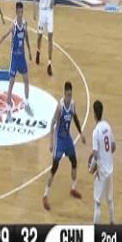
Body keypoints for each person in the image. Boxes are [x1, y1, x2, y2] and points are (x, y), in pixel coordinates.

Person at [43, 81, 85, 211]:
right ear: (64, 94)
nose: (69, 97)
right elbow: (52, 123)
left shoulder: (72, 104)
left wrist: (81, 133)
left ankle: (73, 188)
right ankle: (45, 195)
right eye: (67, 95)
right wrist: (51, 142)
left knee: (74, 162)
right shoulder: (60, 107)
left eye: (70, 95)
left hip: (67, 138)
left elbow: (76, 119)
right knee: (54, 168)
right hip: (59, 141)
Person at [0, 1, 32, 122]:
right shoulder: (14, 26)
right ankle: (8, 109)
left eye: (22, 12)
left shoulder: (24, 24)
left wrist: (30, 50)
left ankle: (27, 103)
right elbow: (4, 36)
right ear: (16, 12)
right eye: (19, 12)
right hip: (14, 57)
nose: (20, 14)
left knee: (26, 80)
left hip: (22, 57)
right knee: (11, 82)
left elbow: (26, 37)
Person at [88, 99, 115, 224]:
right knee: (109, 199)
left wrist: (92, 168)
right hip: (110, 170)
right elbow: (113, 147)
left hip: (101, 172)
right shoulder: (107, 126)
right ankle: (112, 222)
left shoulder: (96, 132)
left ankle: (94, 230)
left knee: (97, 202)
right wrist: (106, 155)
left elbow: (95, 153)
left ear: (94, 113)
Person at [33, 0, 57, 76]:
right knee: (39, 36)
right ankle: (38, 51)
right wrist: (34, 9)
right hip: (42, 10)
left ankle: (49, 63)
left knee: (50, 37)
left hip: (49, 11)